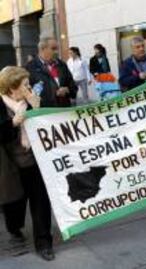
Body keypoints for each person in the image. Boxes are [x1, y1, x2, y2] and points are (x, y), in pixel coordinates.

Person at [0, 66, 54, 261]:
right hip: (9, 165)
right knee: (14, 203)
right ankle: (14, 230)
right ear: (12, 88)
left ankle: (44, 243)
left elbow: (49, 126)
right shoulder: (2, 104)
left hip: (34, 161)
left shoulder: (31, 101)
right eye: (25, 85)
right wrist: (14, 122)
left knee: (40, 202)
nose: (29, 87)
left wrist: (38, 108)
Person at [25, 36, 78, 107]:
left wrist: (67, 90)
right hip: (45, 112)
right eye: (53, 49)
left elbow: (73, 86)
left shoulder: (62, 65)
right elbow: (26, 92)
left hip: (64, 110)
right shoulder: (30, 67)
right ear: (42, 49)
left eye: (57, 49)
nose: (56, 52)